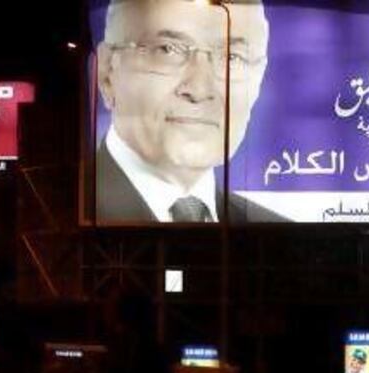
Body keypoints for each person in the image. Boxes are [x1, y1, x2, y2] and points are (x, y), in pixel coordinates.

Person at [95, 0, 282, 223]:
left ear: (258, 78)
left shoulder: (273, 235)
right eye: (167, 50)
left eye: (232, 57)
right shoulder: (60, 214)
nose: (199, 90)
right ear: (107, 73)